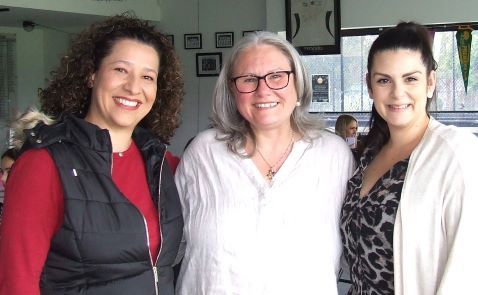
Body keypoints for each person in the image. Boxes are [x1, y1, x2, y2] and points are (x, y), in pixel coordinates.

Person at [0, 14, 184, 295]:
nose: (134, 87)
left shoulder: (161, 164)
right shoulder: (46, 163)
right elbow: (17, 282)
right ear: (91, 74)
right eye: (121, 70)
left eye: (147, 76)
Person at [175, 31, 355, 294]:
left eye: (277, 77)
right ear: (232, 91)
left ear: (298, 85)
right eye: (248, 79)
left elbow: (358, 252)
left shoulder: (334, 154)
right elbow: (167, 246)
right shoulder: (203, 153)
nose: (263, 90)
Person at [340, 22, 478, 295]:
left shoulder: (457, 154)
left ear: (430, 83)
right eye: (384, 80)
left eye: (410, 78)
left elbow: (467, 271)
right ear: (369, 86)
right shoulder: (368, 155)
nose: (397, 93)